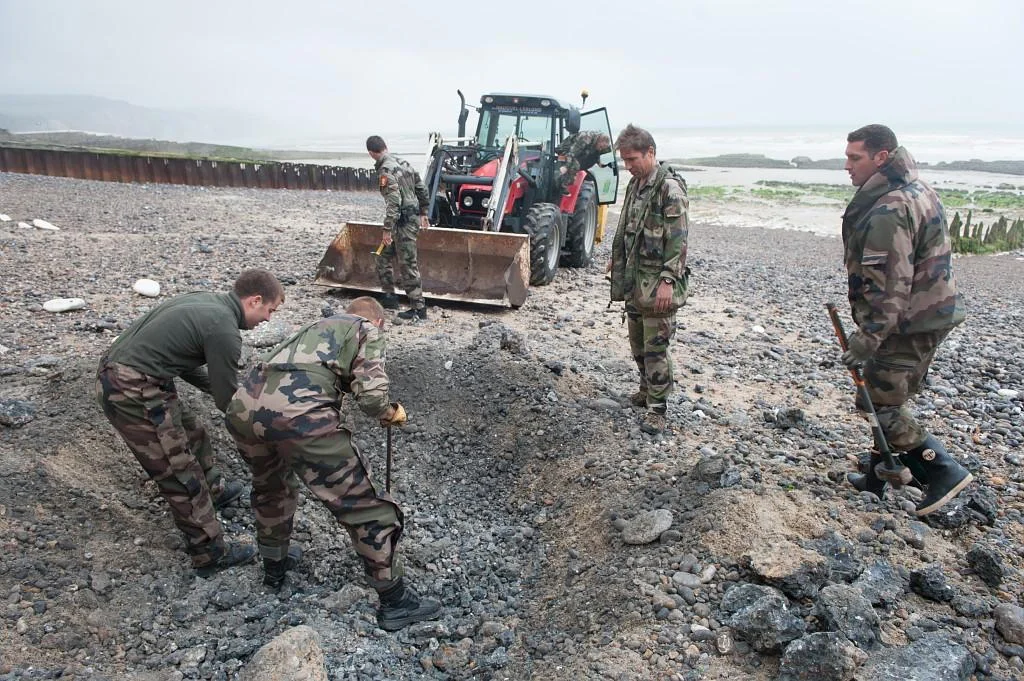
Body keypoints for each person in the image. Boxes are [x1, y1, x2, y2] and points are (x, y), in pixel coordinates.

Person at [225, 296, 441, 631]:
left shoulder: (312, 328)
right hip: (298, 417)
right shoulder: (368, 328)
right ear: (379, 322)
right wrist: (389, 412)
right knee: (366, 507)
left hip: (242, 409)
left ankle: (274, 570)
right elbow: (370, 398)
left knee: (272, 488)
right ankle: (395, 601)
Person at [96, 269, 285, 574]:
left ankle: (214, 490)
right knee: (178, 469)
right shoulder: (224, 330)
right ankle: (209, 551)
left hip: (143, 373)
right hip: (130, 387)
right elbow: (228, 402)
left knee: (191, 429)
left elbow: (182, 363)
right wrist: (262, 426)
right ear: (255, 301)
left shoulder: (208, 303)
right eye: (269, 311)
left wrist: (234, 392)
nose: (268, 319)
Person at [840, 124, 972, 516]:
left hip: (907, 321)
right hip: (931, 312)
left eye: (854, 158)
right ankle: (878, 477)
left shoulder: (890, 207)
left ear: (882, 157)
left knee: (878, 398)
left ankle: (942, 470)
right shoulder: (918, 188)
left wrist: (870, 334)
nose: (846, 166)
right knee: (888, 390)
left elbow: (891, 280)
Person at [608, 124, 690, 435]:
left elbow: (679, 240)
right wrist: (616, 261)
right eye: (625, 161)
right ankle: (645, 390)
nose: (628, 167)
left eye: (632, 160)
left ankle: (658, 407)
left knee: (656, 347)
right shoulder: (636, 185)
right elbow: (630, 229)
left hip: (657, 282)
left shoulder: (669, 189)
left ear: (650, 153)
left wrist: (669, 280)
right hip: (635, 279)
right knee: (638, 343)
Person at [366, 135, 431, 321]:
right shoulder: (404, 163)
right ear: (385, 146)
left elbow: (394, 202)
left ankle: (419, 308)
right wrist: (424, 212)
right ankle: (389, 297)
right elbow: (421, 188)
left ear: (371, 153)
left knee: (407, 264)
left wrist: (387, 229)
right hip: (406, 220)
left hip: (403, 223)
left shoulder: (386, 170)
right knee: (382, 256)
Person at [554, 130, 612, 197]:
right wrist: (566, 167)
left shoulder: (599, 144)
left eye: (602, 149)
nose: (600, 149)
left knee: (590, 162)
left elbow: (597, 153)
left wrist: (600, 163)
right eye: (601, 147)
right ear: (599, 141)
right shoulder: (585, 138)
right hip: (566, 150)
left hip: (582, 151)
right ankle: (562, 186)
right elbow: (572, 154)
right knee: (575, 165)